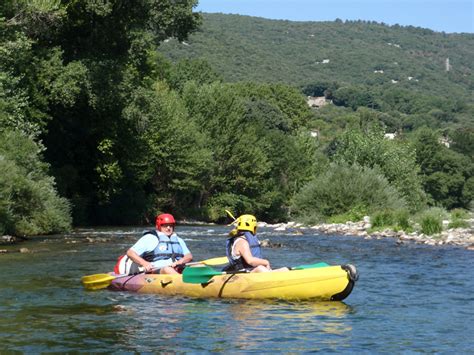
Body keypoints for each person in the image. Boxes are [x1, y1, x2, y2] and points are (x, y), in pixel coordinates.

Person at [114, 213, 193, 275]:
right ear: (159, 226)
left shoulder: (179, 240)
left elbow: (189, 256)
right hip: (158, 270)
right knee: (167, 269)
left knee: (199, 266)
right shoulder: (150, 238)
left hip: (179, 267)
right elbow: (130, 253)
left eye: (170, 225)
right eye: (165, 225)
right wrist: (144, 263)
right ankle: (184, 282)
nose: (168, 228)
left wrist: (181, 261)